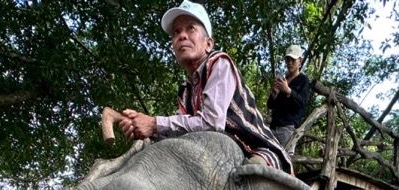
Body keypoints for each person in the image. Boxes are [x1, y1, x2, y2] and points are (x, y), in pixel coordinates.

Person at [118, 1, 292, 173]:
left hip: (257, 151)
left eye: (190, 28)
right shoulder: (186, 91)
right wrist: (144, 127)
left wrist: (155, 123)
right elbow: (181, 131)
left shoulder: (219, 64)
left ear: (208, 43)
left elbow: (211, 122)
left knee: (249, 175)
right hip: (216, 153)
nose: (182, 36)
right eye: (176, 32)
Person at [268, 45, 311, 148]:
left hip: (288, 129)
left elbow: (302, 103)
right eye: (288, 60)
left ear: (300, 61)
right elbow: (270, 105)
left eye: (293, 60)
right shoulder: (283, 79)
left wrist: (288, 91)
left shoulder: (303, 81)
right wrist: (274, 93)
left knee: (285, 161)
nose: (290, 63)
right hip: (273, 127)